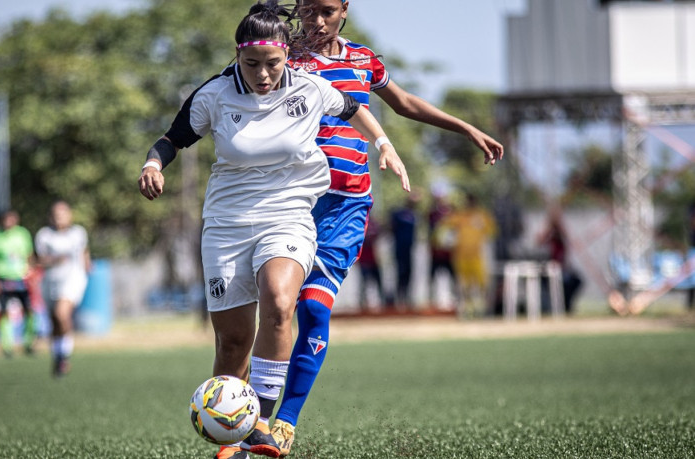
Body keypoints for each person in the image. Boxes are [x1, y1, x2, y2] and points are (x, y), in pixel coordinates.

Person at [137, 2, 408, 458]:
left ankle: (260, 422)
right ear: (237, 58)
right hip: (227, 225)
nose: (263, 74)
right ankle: (232, 437)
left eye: (273, 64)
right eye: (252, 64)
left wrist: (384, 144)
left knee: (281, 298)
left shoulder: (310, 87)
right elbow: (172, 138)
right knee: (234, 343)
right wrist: (152, 164)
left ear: (286, 55)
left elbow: (354, 108)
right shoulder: (215, 95)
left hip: (289, 215)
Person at [271, 0, 504, 454]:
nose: (317, 22)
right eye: (309, 11)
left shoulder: (363, 59)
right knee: (272, 310)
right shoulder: (280, 58)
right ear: (296, 9)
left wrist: (465, 128)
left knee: (314, 310)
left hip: (346, 207)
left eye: (327, 11)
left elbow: (405, 104)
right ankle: (249, 411)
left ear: (344, 10)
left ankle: (284, 424)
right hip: (290, 202)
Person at [35, 201, 90, 378]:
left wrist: (88, 266)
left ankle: (65, 355)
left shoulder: (78, 233)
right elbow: (40, 259)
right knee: (55, 323)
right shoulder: (44, 235)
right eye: (56, 215)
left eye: (63, 214)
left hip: (72, 278)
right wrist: (54, 260)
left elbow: (84, 253)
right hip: (51, 281)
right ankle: (58, 355)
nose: (60, 218)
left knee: (62, 314)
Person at [0, 210, 36, 357]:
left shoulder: (22, 234)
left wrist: (32, 273)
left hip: (21, 279)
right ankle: (7, 346)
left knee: (29, 310)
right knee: (4, 312)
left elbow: (29, 255)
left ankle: (29, 342)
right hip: (3, 278)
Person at [445, 193, 498, 318]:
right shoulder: (460, 215)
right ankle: (466, 309)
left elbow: (492, 231)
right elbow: (446, 228)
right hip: (460, 256)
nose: (470, 204)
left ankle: (483, 308)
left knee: (481, 284)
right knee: (464, 285)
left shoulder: (482, 215)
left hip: (477, 256)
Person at [536, 205, 583, 314]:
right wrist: (548, 229)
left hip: (561, 269)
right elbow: (539, 243)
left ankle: (566, 305)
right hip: (548, 269)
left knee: (575, 281)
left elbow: (567, 249)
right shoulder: (548, 235)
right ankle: (556, 307)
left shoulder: (561, 238)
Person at [428, 193, 458, 310]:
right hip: (436, 252)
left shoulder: (452, 215)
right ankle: (431, 300)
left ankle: (455, 300)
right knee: (433, 277)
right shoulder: (433, 214)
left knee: (453, 277)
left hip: (449, 253)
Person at [390, 192, 420, 309]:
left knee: (409, 273)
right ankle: (399, 298)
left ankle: (407, 297)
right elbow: (391, 228)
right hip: (399, 248)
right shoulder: (399, 213)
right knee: (400, 272)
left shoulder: (415, 215)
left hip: (409, 249)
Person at [356, 217, 385, 311]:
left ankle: (382, 303)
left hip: (374, 259)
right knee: (364, 283)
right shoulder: (360, 223)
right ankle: (363, 304)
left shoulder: (374, 223)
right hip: (364, 259)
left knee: (378, 281)